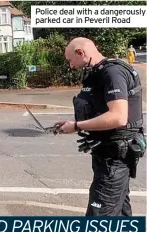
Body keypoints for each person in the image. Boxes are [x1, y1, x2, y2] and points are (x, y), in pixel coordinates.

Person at [55, 37, 145, 216]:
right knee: (120, 214)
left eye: (70, 60)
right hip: (108, 157)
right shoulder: (99, 73)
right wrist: (72, 122)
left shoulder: (113, 73)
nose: (71, 66)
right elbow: (100, 110)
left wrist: (77, 126)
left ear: (81, 53)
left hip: (115, 160)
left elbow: (118, 117)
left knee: (98, 218)